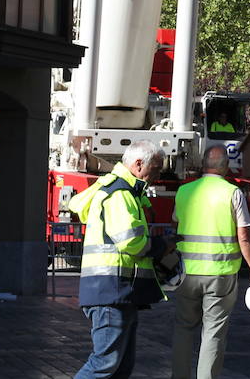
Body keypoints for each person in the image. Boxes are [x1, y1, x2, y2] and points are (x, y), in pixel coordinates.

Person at [68, 141, 171, 379]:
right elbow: (131, 242)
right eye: (155, 169)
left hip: (117, 293)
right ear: (138, 165)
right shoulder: (120, 194)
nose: (156, 176)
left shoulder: (120, 191)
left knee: (120, 366)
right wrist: (161, 246)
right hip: (111, 293)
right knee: (105, 364)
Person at [171, 145, 250, 379]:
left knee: (183, 327)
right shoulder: (232, 193)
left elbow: (176, 227)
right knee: (213, 333)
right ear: (225, 166)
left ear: (204, 164)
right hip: (220, 275)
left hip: (186, 274)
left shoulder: (184, 191)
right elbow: (243, 236)